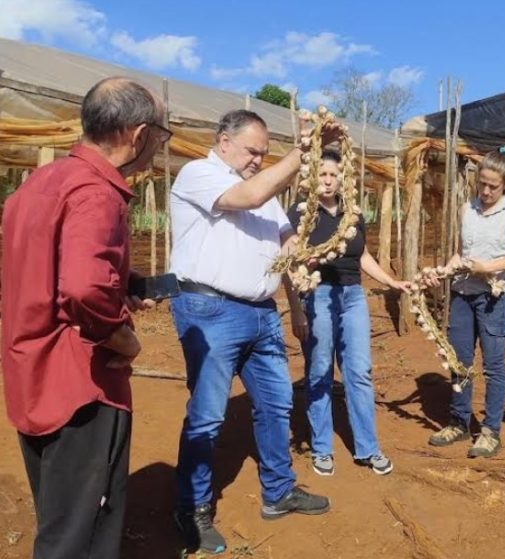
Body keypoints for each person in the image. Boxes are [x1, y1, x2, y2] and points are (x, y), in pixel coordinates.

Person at [1, 77, 169, 559]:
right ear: (137, 135)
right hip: (81, 388)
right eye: (160, 134)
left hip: (31, 375)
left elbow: (45, 266)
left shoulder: (42, 181)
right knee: (81, 532)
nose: (159, 146)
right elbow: (81, 289)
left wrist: (122, 279)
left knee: (58, 514)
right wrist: (123, 339)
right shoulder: (98, 192)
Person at [169, 109, 339, 554]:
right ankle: (192, 508)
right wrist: (302, 151)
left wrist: (314, 253)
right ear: (224, 141)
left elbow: (286, 243)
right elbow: (246, 196)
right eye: (252, 151)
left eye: (265, 154)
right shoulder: (199, 173)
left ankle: (278, 491)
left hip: (262, 314)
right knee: (207, 415)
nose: (258, 160)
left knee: (277, 403)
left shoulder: (263, 190)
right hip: (210, 311)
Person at [286, 150, 409, 477]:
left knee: (359, 372)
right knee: (320, 369)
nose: (327, 180)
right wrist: (299, 303)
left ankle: (368, 448)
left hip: (353, 296)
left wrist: (390, 280)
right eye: (321, 174)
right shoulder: (301, 214)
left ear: (342, 179)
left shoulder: (353, 215)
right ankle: (322, 447)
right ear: (312, 178)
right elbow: (291, 264)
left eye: (332, 175)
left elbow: (362, 256)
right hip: (319, 295)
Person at [426, 147, 505, 458]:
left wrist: (487, 267)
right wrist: (443, 272)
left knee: (494, 366)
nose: (485, 191)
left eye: (493, 186)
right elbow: (462, 252)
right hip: (462, 293)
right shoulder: (467, 209)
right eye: (482, 183)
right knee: (459, 363)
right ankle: (459, 422)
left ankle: (490, 431)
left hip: (494, 298)